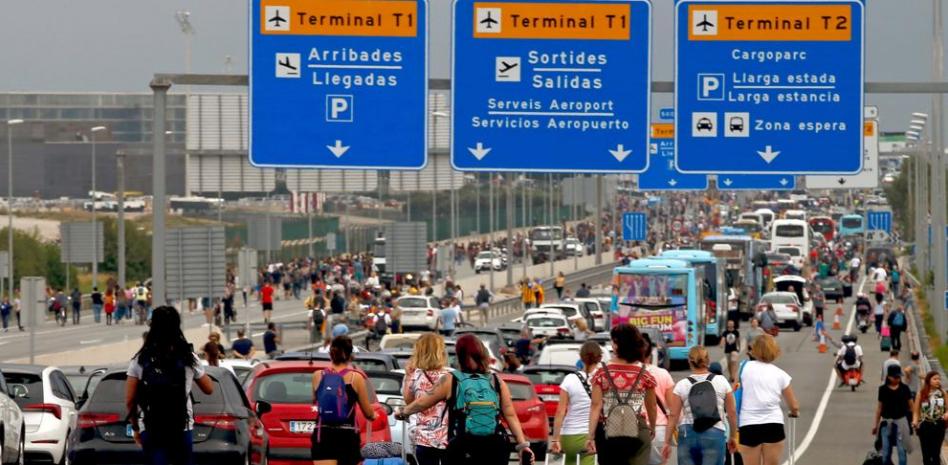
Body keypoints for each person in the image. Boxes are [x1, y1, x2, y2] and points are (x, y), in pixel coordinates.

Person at [396, 334, 535, 465]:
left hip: (463, 446)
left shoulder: (452, 380)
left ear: (459, 356)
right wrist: (522, 445)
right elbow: (510, 415)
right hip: (495, 446)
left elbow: (422, 402)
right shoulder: (496, 381)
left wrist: (403, 412)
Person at [125, 306, 214, 465]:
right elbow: (209, 389)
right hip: (182, 428)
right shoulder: (188, 357)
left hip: (151, 427)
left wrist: (136, 428)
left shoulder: (140, 359)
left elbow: (130, 401)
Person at [586, 324, 658, 465]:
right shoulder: (644, 372)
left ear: (617, 344)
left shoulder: (601, 372)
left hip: (609, 432)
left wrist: (590, 436)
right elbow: (652, 406)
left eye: (613, 340)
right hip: (638, 429)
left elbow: (595, 406)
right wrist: (652, 427)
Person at [310, 335, 378, 465]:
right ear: (349, 355)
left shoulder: (318, 376)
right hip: (347, 435)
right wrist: (373, 415)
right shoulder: (355, 378)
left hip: (323, 433)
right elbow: (367, 412)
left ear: (331, 353)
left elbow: (314, 400)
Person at [664, 346, 738, 465]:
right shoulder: (721, 381)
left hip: (688, 433)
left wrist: (666, 442)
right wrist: (733, 436)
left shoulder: (682, 385)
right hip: (715, 432)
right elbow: (732, 412)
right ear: (707, 360)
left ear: (689, 361)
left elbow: (673, 415)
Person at [736, 334, 800, 465]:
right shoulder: (781, 374)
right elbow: (794, 405)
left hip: (748, 424)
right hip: (773, 423)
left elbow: (735, 390)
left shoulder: (744, 368)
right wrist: (794, 413)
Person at [403, 334, 451, 465]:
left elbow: (409, 401)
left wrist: (408, 376)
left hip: (424, 438)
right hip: (447, 437)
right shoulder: (450, 376)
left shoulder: (415, 375)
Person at [551, 341, 602, 465]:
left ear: (581, 357)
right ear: (600, 358)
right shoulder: (602, 379)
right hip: (592, 435)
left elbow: (560, 412)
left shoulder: (569, 379)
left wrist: (555, 439)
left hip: (568, 435)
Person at [642, 333, 675, 465]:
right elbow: (673, 409)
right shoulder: (663, 374)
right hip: (660, 429)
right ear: (651, 353)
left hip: (635, 428)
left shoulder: (631, 374)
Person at [873, 365, 914, 465]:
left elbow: (911, 407)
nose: (897, 379)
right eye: (895, 377)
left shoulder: (905, 389)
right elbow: (879, 408)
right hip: (887, 423)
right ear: (889, 377)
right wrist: (876, 425)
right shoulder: (882, 389)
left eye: (899, 377)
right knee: (886, 452)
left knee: (901, 452)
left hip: (901, 422)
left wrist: (913, 421)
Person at [912, 372, 948, 465]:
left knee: (936, 454)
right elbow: (916, 411)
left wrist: (946, 414)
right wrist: (915, 422)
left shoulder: (943, 393)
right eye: (935, 379)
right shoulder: (921, 393)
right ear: (928, 380)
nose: (938, 381)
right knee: (926, 455)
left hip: (939, 426)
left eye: (939, 379)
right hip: (925, 426)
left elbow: (947, 409)